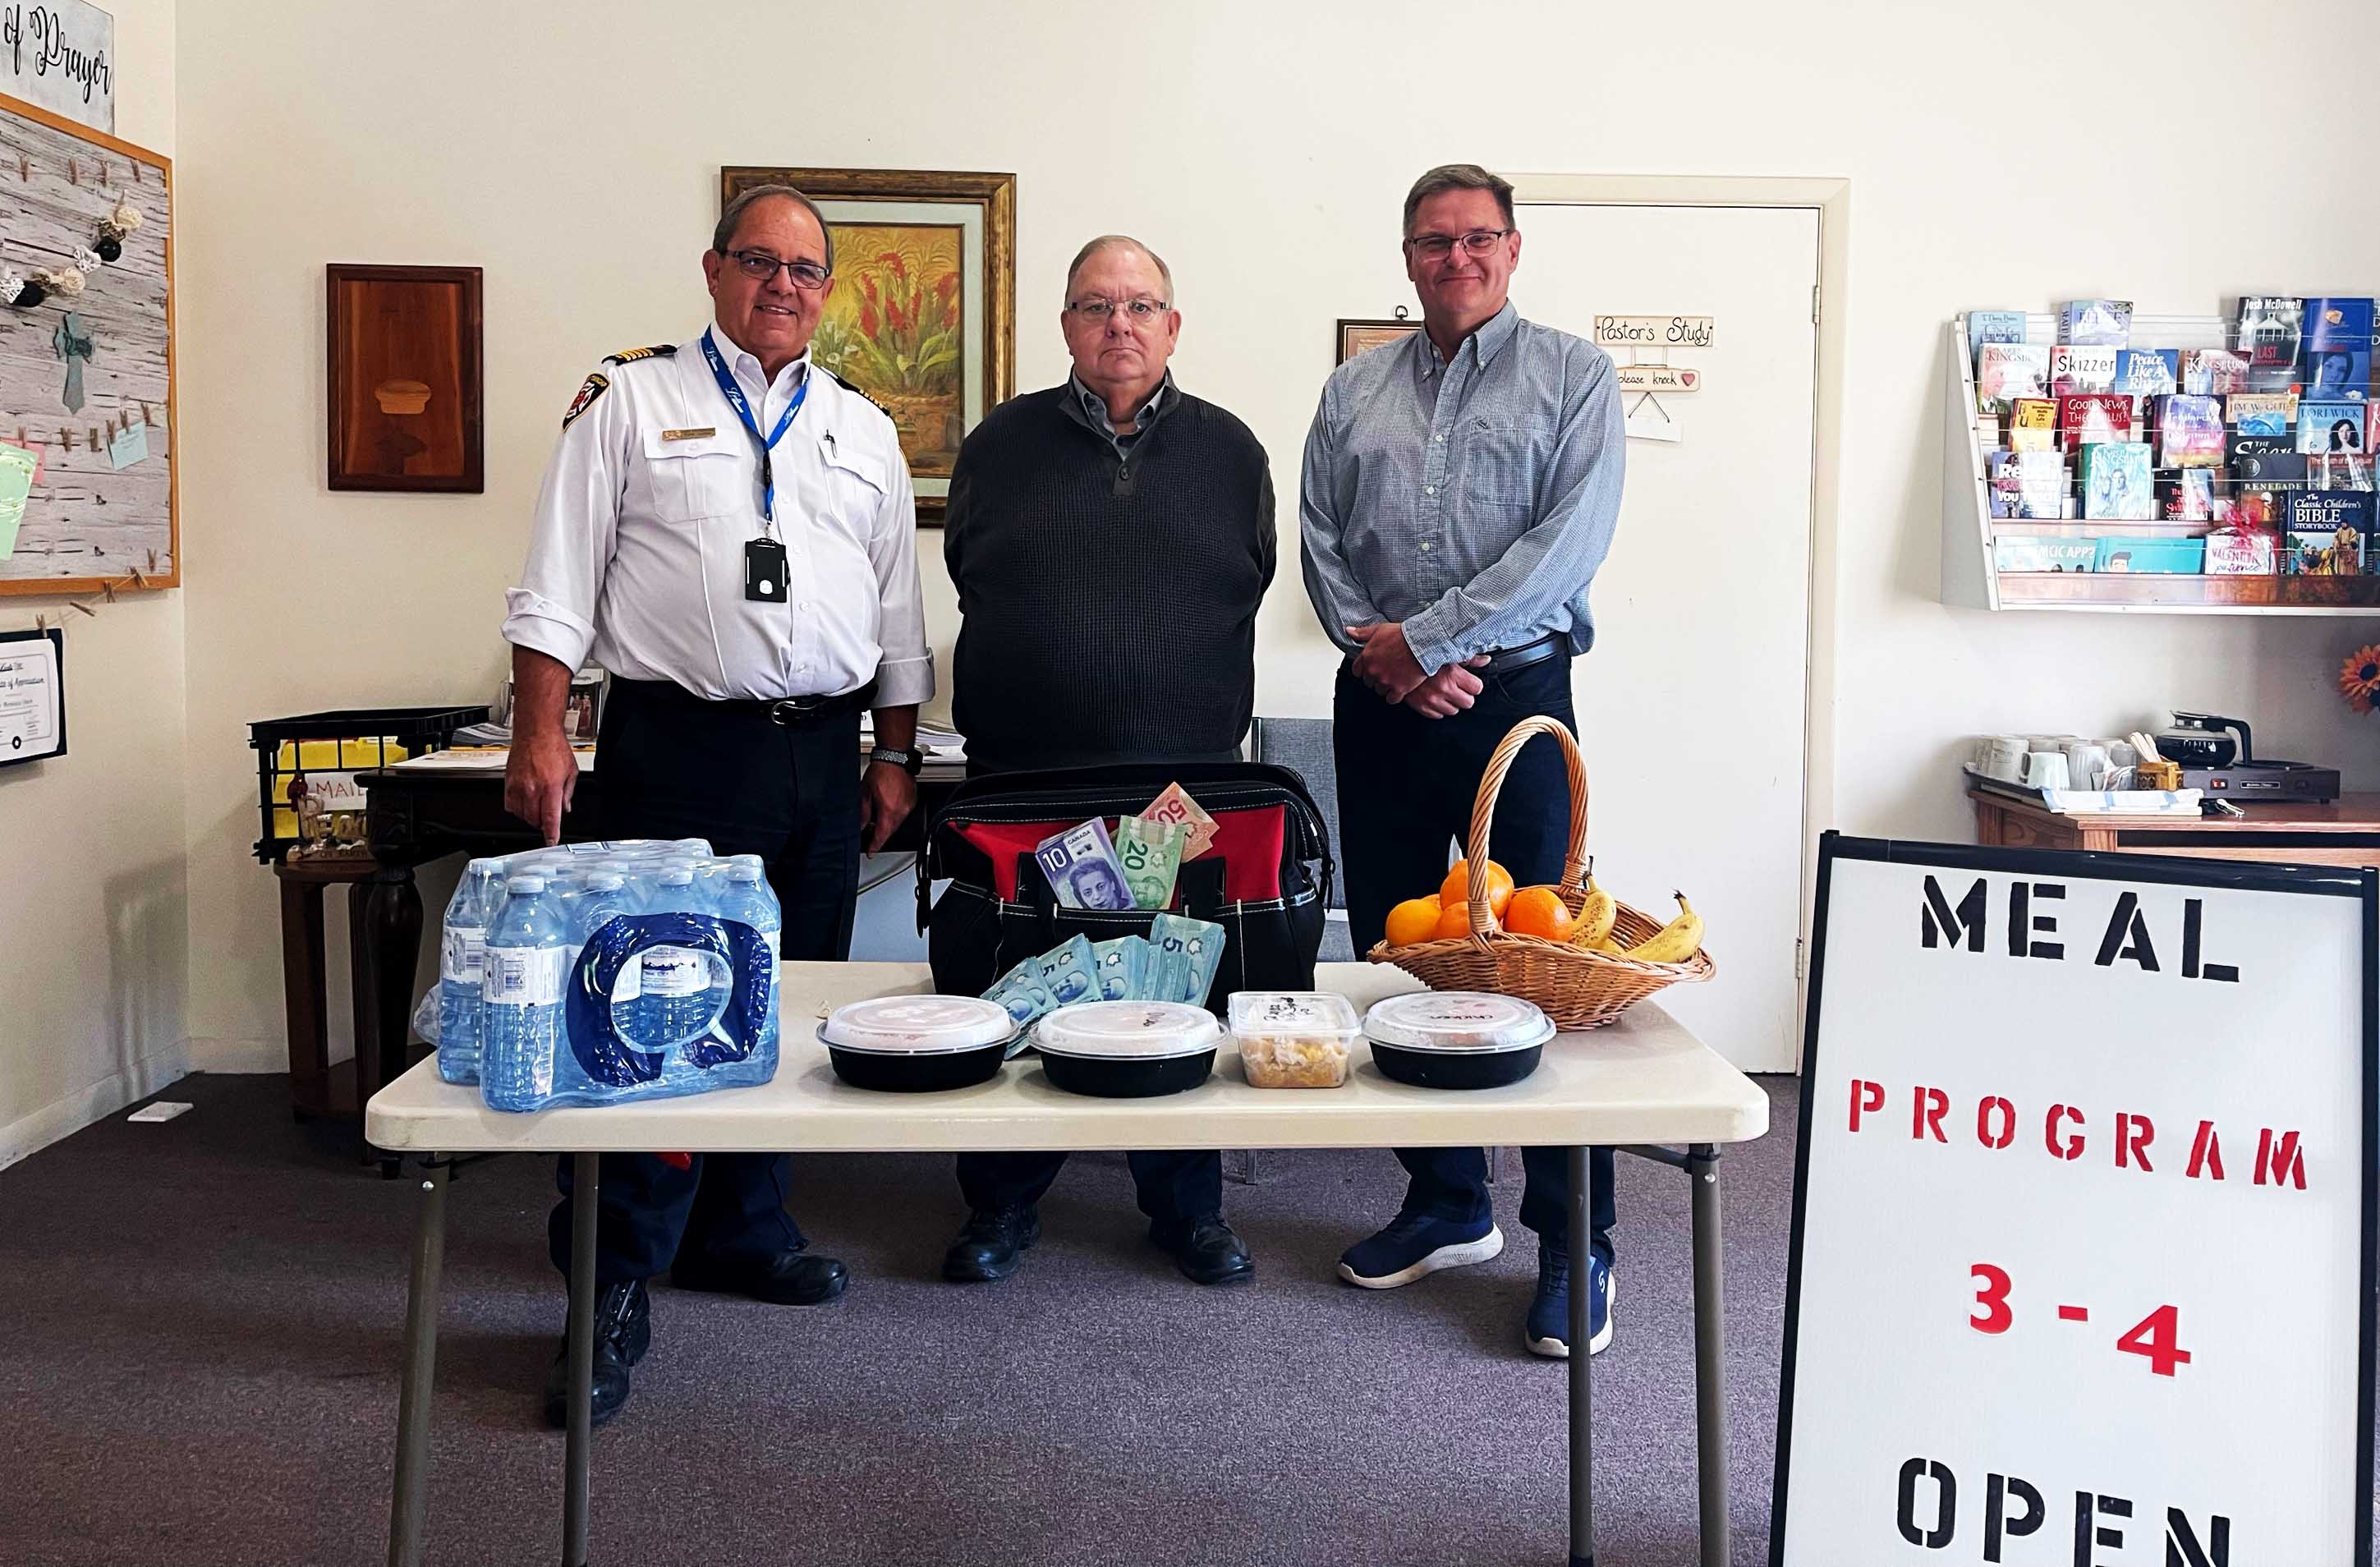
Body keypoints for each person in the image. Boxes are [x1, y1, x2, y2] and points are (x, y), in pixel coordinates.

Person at [502, 183, 933, 1427]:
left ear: (826, 290)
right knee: (648, 1019)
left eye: (805, 271)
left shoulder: (860, 429)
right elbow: (555, 584)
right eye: (760, 262)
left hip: (819, 759)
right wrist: (539, 734)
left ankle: (743, 1226)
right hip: (677, 752)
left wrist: (892, 756)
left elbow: (897, 617)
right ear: (712, 269)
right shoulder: (627, 400)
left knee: (782, 1004)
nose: (782, 287)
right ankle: (611, 1283)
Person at [1299, 164, 1627, 1358]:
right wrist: (1382, 657)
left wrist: (1429, 643)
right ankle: (1444, 1198)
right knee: (1402, 949)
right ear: (1405, 255)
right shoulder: (1351, 390)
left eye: (1476, 238)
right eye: (1433, 241)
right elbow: (1321, 538)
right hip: (1377, 698)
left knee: (1533, 963)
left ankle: (1571, 1241)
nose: (1456, 258)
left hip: (1517, 694)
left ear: (1512, 247)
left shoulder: (1574, 377)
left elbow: (1565, 545)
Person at [940, 233, 1274, 1287]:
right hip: (1025, 785)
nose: (1118, 324)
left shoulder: (1232, 452)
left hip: (1179, 789)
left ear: (1173, 326)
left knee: (1177, 991)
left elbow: (1250, 582)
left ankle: (1188, 1210)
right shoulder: (1000, 445)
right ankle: (1000, 1204)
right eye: (1095, 306)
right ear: (1066, 327)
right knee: (1017, 986)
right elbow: (968, 574)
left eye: (1139, 306)